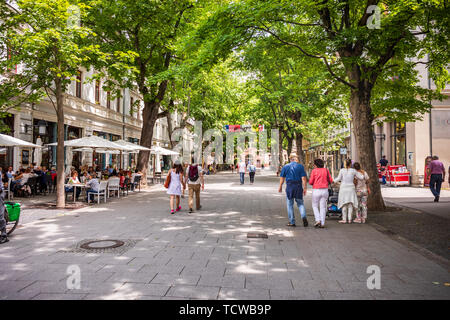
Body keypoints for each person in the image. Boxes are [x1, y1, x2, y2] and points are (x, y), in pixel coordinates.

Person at [278, 153, 308, 227]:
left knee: (290, 205)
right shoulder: (300, 166)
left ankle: (292, 222)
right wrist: (305, 188)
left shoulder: (286, 166)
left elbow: (282, 178)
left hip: (290, 186)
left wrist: (280, 186)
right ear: (296, 158)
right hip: (298, 186)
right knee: (300, 203)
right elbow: (303, 178)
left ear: (290, 158)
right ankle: (303, 216)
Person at [334, 159, 364, 224]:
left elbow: (338, 178)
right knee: (350, 203)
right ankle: (350, 219)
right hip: (351, 188)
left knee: (344, 204)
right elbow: (361, 177)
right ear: (350, 164)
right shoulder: (353, 171)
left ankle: (344, 219)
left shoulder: (342, 170)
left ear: (344, 164)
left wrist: (333, 181)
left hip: (343, 188)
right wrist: (362, 172)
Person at [309, 158, 333, 228]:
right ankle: (322, 223)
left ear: (316, 165)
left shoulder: (314, 171)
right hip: (325, 190)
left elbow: (310, 182)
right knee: (323, 207)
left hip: (316, 190)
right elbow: (330, 180)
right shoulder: (326, 170)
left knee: (315, 206)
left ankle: (318, 220)